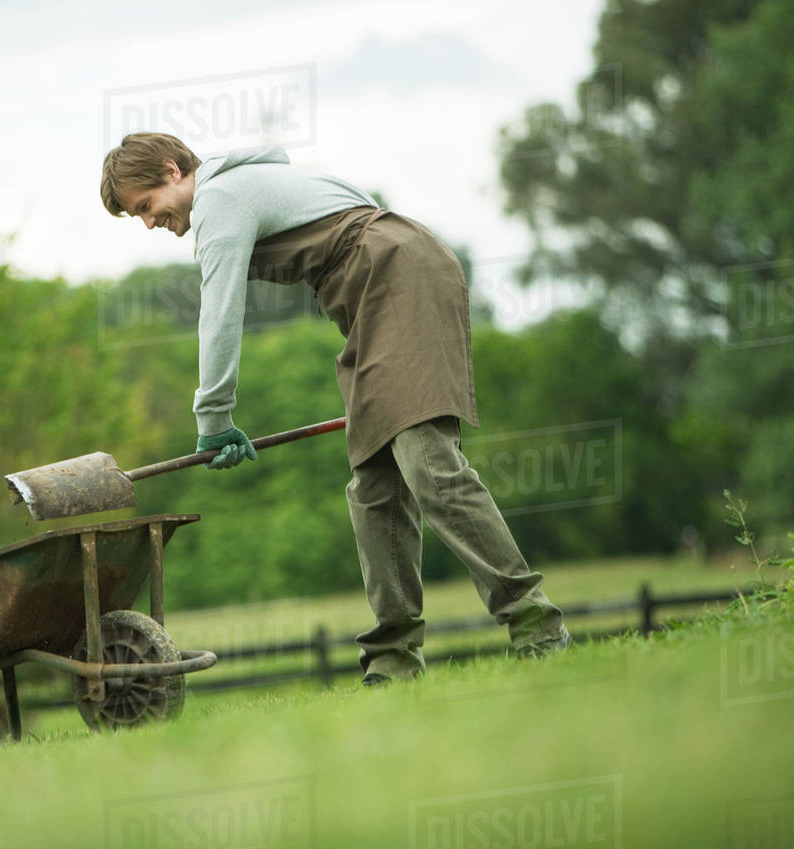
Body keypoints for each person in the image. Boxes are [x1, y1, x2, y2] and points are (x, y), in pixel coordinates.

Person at [100, 132, 570, 685]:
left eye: (146, 207)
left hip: (398, 276)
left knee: (428, 464)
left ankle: (536, 624)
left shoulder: (218, 200)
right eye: (138, 216)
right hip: (371, 295)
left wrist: (214, 420)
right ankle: (393, 662)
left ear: (174, 171)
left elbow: (220, 311)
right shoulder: (240, 185)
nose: (150, 222)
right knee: (374, 485)